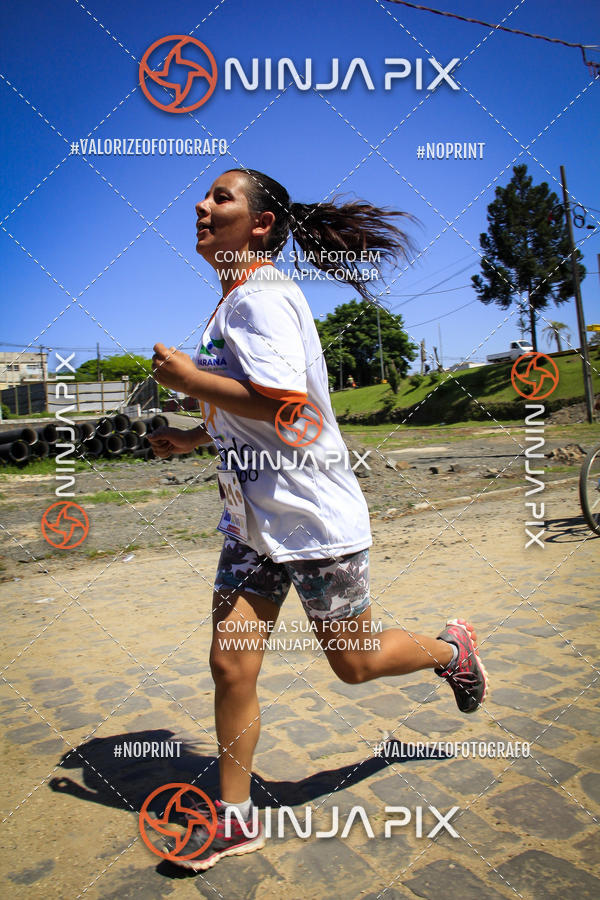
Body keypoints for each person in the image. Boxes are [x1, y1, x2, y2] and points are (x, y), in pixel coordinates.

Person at [148, 168, 488, 871]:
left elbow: (284, 405)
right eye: (205, 197)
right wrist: (191, 434)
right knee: (229, 665)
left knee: (354, 665)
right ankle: (236, 821)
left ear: (261, 224)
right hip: (252, 525)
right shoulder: (233, 302)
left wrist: (188, 381)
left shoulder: (263, 297)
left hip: (314, 520)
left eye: (221, 198)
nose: (201, 207)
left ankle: (452, 652)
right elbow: (248, 410)